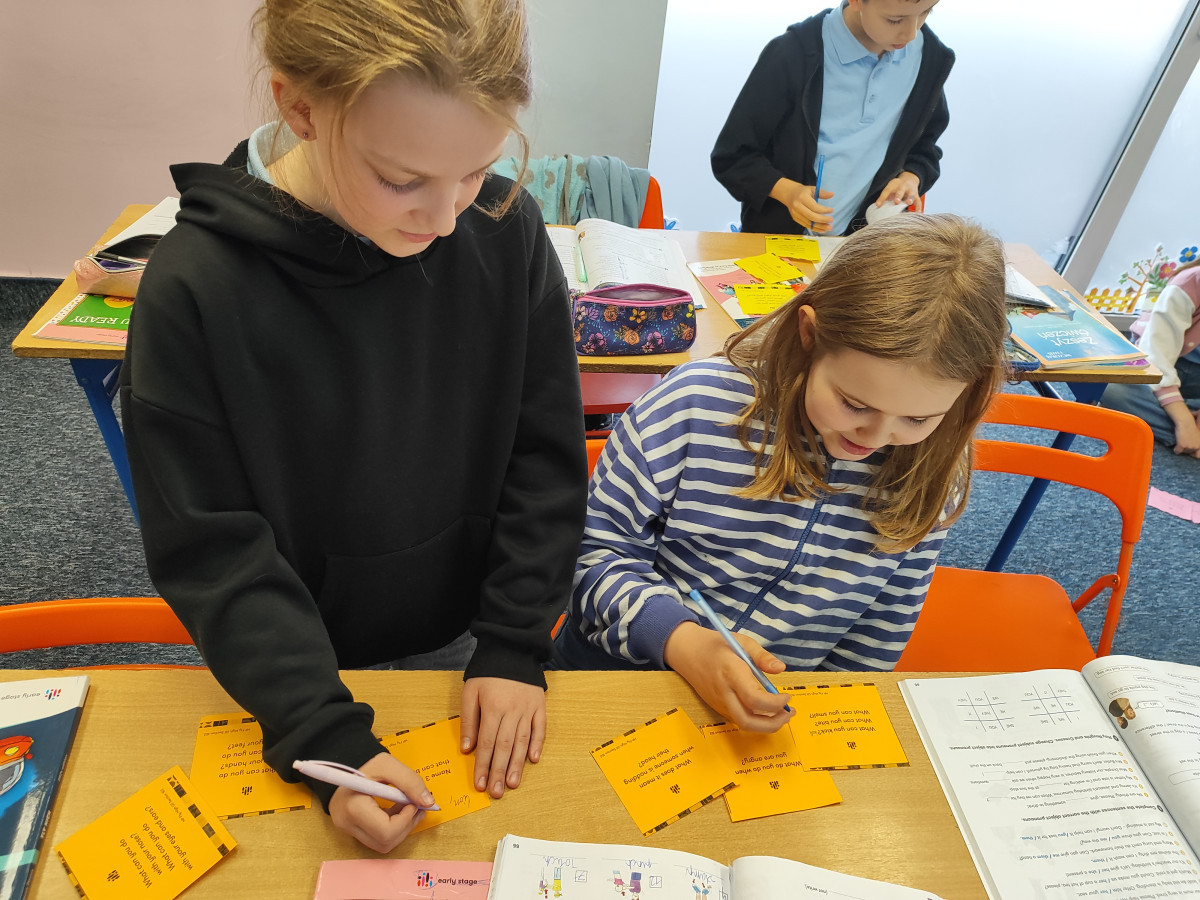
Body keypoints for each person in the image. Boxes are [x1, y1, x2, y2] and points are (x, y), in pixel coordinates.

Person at [118, 0, 587, 853]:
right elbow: (215, 550)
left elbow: (543, 452)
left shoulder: (503, 226)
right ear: (299, 107)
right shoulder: (195, 289)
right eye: (402, 180)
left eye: (476, 170)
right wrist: (320, 733)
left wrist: (516, 641)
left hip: (467, 643)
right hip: (298, 666)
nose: (445, 218)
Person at [553, 214, 1008, 732]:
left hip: (775, 713)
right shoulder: (693, 407)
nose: (877, 437)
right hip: (616, 681)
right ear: (809, 334)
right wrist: (681, 639)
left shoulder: (934, 467)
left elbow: (882, 625)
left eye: (918, 419)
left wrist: (832, 715)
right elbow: (591, 557)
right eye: (854, 404)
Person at [711, 0, 952, 237]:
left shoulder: (929, 58)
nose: (911, 33)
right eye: (895, 20)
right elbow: (732, 157)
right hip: (779, 241)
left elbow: (925, 147)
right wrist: (788, 192)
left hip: (861, 245)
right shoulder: (792, 54)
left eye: (926, 12)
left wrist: (911, 176)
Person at [1100, 260, 1200, 458]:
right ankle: (1186, 433)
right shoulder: (1191, 282)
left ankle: (1182, 433)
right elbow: (1157, 358)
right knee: (1108, 386)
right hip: (1157, 371)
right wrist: (1184, 421)